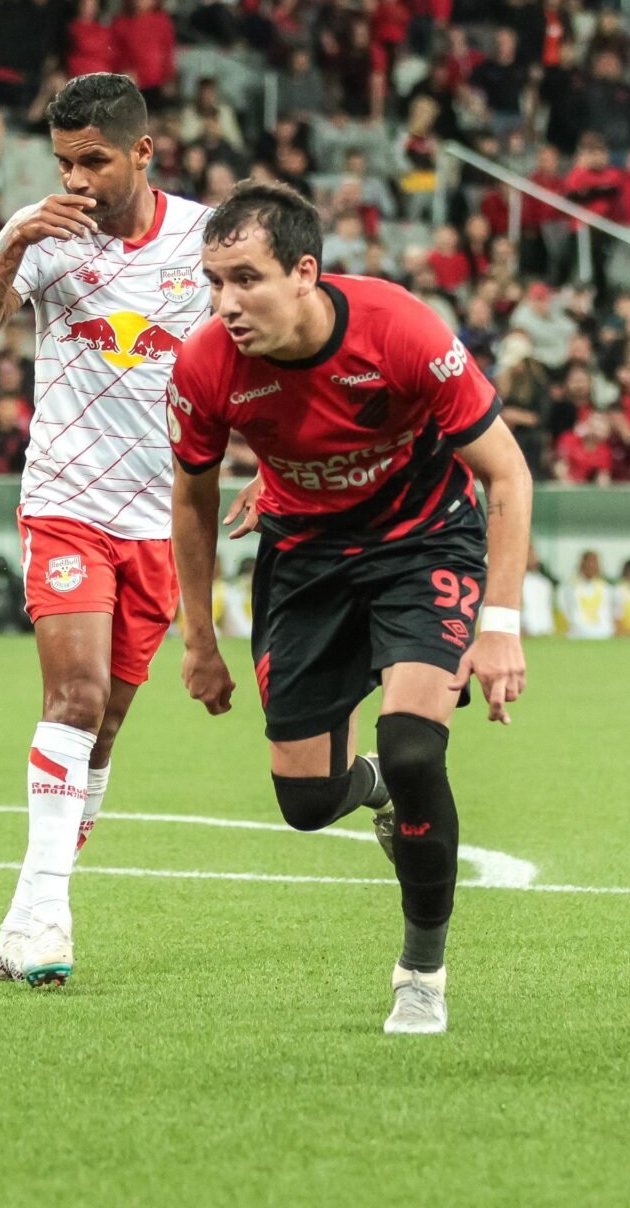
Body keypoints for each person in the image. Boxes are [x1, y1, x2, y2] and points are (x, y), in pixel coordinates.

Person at [169, 182, 532, 1036]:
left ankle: (421, 971)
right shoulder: (205, 365)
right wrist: (197, 637)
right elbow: (190, 502)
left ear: (304, 272)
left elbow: (508, 475)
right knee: (303, 803)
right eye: (214, 281)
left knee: (412, 748)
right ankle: (363, 791)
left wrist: (503, 626)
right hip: (305, 565)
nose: (226, 304)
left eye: (246, 279)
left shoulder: (399, 329)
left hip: (424, 547)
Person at [0, 73, 230, 988]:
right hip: (66, 502)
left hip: (164, 520)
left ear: (143, 152)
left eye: (93, 161)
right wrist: (10, 246)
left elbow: (250, 356)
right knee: (71, 699)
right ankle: (42, 917)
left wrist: (270, 466)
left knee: (101, 729)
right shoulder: (41, 234)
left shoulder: (207, 240)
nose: (75, 180)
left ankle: (36, 904)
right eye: (63, 161)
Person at [560, 550, 614, 639]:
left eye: (595, 563)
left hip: (604, 634)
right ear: (581, 564)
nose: (592, 566)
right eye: (589, 562)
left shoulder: (606, 588)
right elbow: (567, 612)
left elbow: (607, 614)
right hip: (578, 635)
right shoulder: (569, 587)